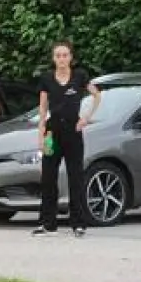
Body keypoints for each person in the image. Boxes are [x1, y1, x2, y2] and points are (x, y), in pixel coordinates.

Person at [33, 41, 103, 238]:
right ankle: (48, 223)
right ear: (53, 58)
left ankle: (78, 223)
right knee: (48, 176)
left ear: (70, 57)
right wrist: (41, 134)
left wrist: (86, 118)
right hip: (51, 132)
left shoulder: (79, 76)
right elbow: (42, 109)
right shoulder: (47, 78)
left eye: (65, 55)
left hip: (73, 131)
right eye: (58, 56)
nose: (62, 59)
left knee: (76, 176)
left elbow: (97, 96)